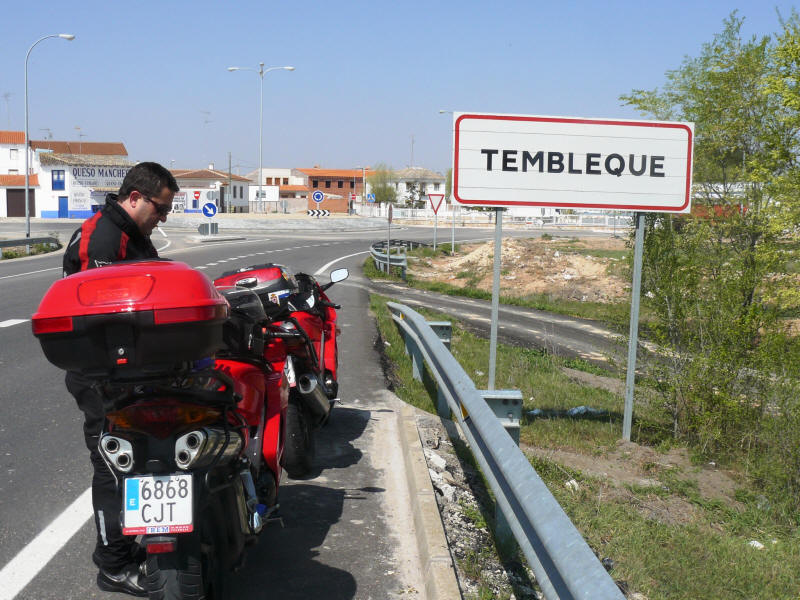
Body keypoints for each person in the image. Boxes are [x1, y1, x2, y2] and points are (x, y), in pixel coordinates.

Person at [63, 162, 178, 596]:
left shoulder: (134, 235)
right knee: (114, 464)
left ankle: (148, 539)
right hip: (102, 375)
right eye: (160, 208)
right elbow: (104, 306)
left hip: (134, 369)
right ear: (135, 197)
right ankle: (113, 565)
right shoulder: (103, 238)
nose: (164, 217)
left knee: (147, 456)